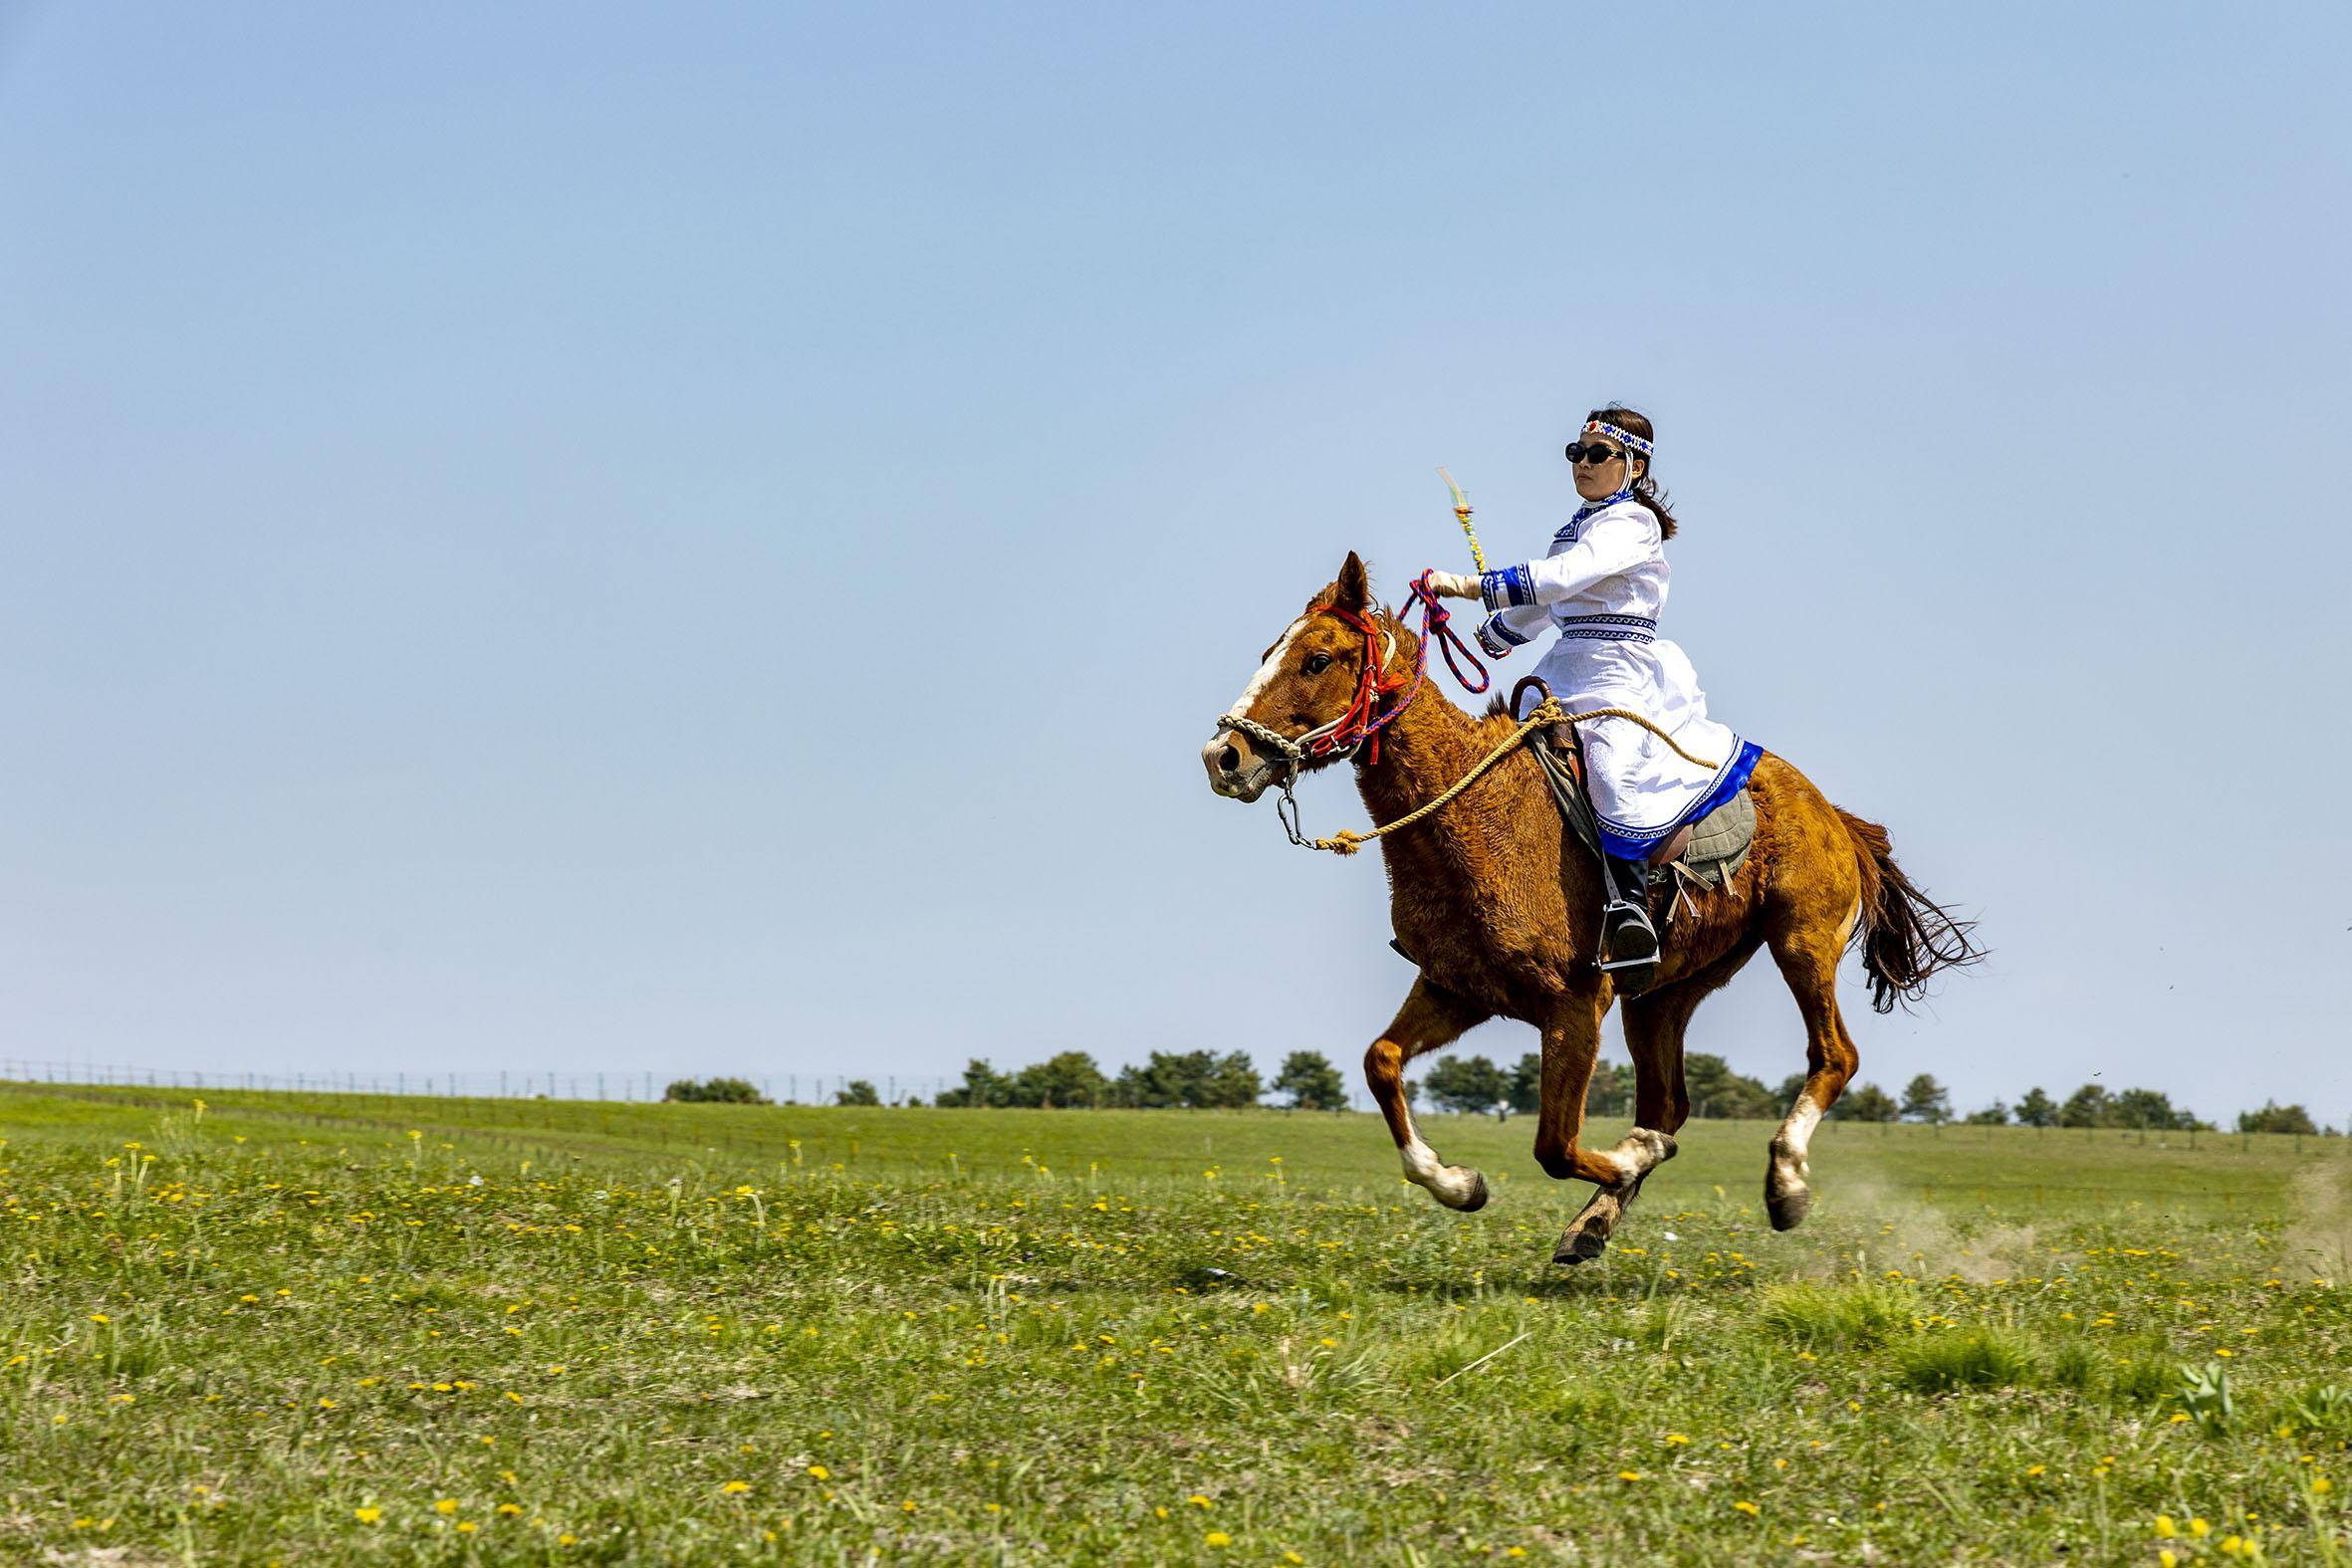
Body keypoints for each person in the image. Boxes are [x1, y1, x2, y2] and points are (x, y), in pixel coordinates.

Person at [1426, 406, 1761, 981]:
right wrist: (1494, 632)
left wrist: (1470, 586)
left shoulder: (1632, 523)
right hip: (1564, 669)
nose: (1581, 464)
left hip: (1619, 672)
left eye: (1595, 454)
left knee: (1608, 770)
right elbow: (1548, 602)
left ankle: (1628, 908)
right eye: (1574, 453)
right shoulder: (1575, 527)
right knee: (1494, 763)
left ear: (1632, 464)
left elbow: (1562, 578)